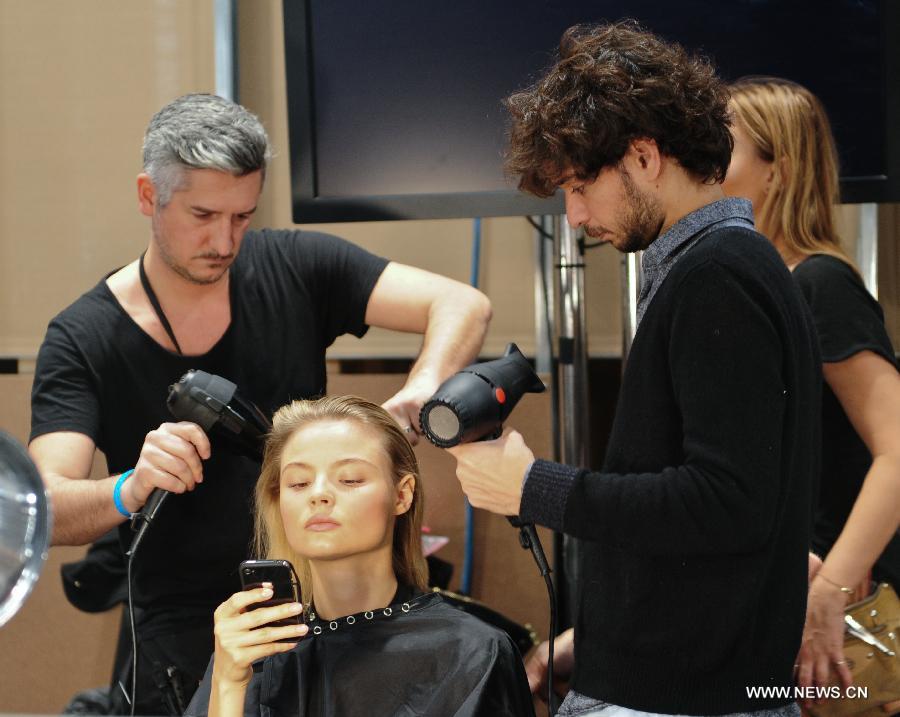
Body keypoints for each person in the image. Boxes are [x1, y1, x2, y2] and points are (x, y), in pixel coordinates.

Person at [27, 93, 492, 715]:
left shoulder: (296, 267)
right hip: (182, 632)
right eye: (203, 215)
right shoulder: (84, 339)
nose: (224, 241)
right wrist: (130, 489)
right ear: (148, 196)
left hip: (321, 610)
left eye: (242, 217)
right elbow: (43, 509)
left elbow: (463, 304)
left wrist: (424, 382)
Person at [449, 22, 820, 716]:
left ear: (645, 156)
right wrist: (592, 637)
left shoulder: (720, 275)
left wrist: (534, 487)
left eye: (582, 185)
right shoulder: (717, 266)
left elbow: (726, 503)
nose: (575, 214)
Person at [184, 395, 534, 717]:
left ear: (402, 495)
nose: (318, 495)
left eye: (350, 479)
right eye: (299, 483)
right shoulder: (252, 650)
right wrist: (228, 685)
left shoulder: (473, 653)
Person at [724, 77, 900, 697]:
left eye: (722, 147)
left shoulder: (820, 285)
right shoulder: (757, 285)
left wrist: (829, 589)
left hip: (833, 615)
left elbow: (899, 448)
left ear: (778, 171)